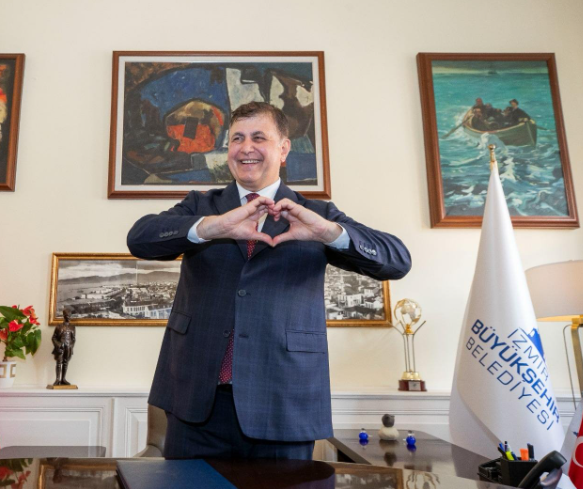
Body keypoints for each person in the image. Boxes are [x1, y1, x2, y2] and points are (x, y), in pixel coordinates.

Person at [127, 102, 411, 460]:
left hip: (284, 404)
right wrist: (213, 227)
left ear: (284, 149)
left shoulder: (317, 214)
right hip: (197, 405)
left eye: (259, 137)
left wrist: (329, 233)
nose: (246, 148)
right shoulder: (202, 206)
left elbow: (397, 261)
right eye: (237, 138)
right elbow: (139, 239)